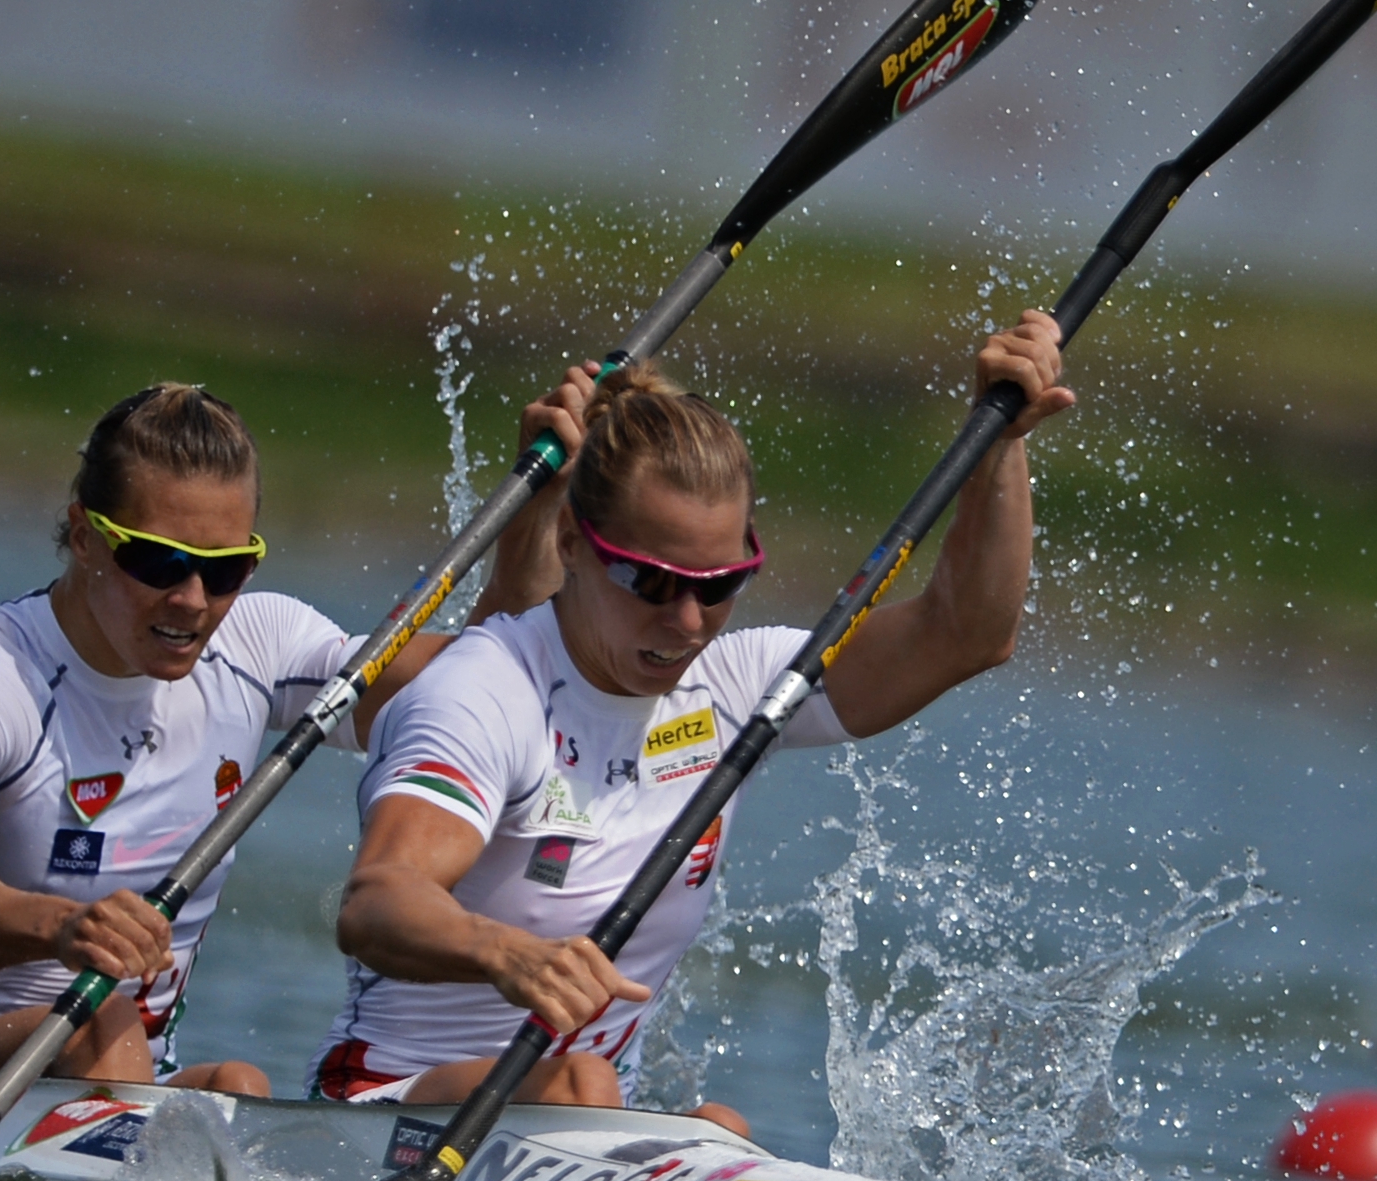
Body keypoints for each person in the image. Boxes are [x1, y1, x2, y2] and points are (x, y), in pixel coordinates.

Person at [310, 314, 1075, 1131]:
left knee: (719, 1126)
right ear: (571, 539)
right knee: (585, 1086)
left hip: (576, 1108)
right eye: (650, 581)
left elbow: (965, 635)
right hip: (383, 1101)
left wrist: (1000, 443)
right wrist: (508, 956)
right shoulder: (484, 691)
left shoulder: (733, 685)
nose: (685, 622)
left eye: (718, 585)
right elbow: (377, 902)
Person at [0, 379, 580, 1095]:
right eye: (158, 562)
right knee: (103, 1019)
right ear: (84, 536)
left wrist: (540, 510)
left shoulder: (256, 645)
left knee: (237, 1085)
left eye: (225, 570)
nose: (192, 601)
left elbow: (484, 687)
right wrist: (63, 928)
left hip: (117, 1080)